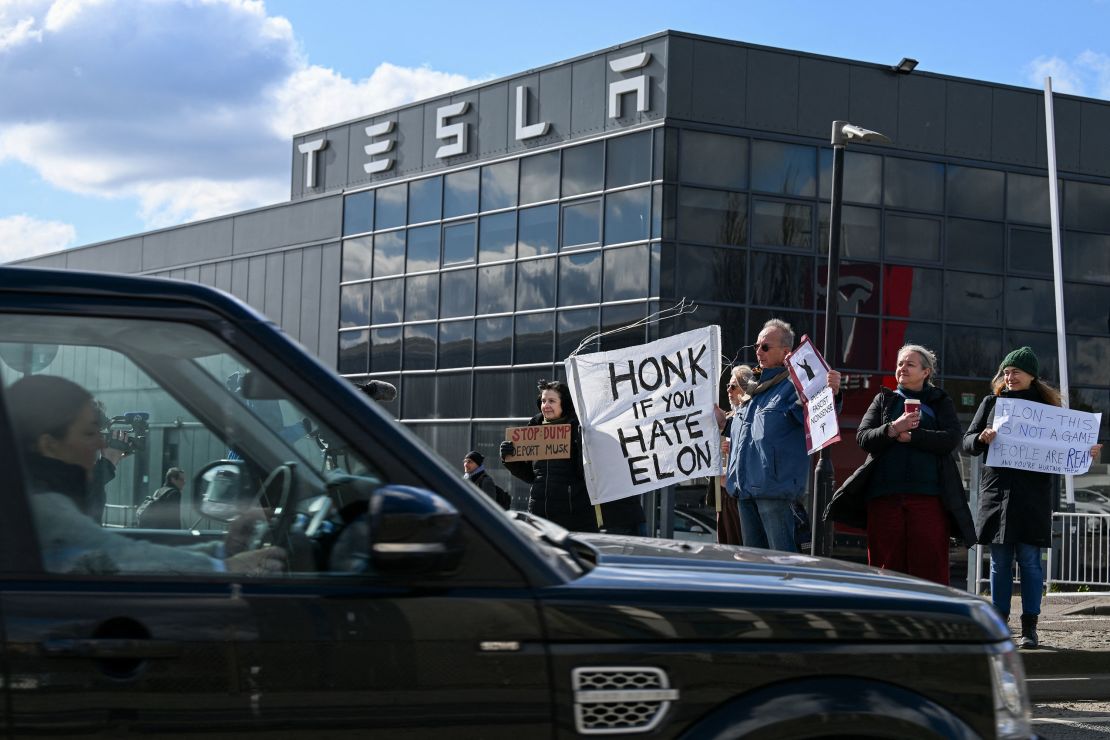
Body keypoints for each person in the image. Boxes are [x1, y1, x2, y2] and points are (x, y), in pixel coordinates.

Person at [9, 374, 286, 576]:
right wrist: (224, 566)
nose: (101, 443)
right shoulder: (44, 507)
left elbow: (123, 552)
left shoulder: (32, 497)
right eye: (89, 433)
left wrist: (221, 551)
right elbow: (120, 554)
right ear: (49, 445)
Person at [962, 346, 1103, 648]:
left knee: (1029, 560)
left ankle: (1030, 627)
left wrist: (1087, 451)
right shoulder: (991, 403)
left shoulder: (1048, 411)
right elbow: (967, 443)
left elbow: (1068, 448)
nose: (1009, 377)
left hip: (1032, 497)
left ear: (1032, 376)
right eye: (1007, 371)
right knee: (999, 561)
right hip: (998, 494)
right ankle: (999, 625)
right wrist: (981, 438)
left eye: (1016, 371)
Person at [825, 344, 975, 586]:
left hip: (928, 498)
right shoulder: (884, 399)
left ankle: (930, 617)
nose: (902, 368)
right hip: (885, 497)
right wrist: (894, 428)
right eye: (899, 364)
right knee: (886, 566)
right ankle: (888, 617)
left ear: (926, 372)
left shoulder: (939, 400)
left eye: (910, 364)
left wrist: (914, 437)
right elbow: (863, 438)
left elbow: (951, 439)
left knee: (929, 565)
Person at [725, 319, 840, 552]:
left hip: (774, 492)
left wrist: (833, 395)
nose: (758, 352)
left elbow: (817, 413)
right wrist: (722, 423)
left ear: (786, 352)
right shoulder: (755, 391)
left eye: (765, 347)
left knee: (782, 564)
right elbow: (749, 432)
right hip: (745, 491)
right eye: (756, 346)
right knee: (755, 569)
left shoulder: (793, 386)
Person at [500, 380, 645, 534]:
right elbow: (531, 476)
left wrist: (580, 445)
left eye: (552, 401)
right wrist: (510, 459)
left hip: (574, 518)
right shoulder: (534, 429)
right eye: (543, 401)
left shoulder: (579, 430)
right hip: (540, 516)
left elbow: (588, 473)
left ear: (565, 404)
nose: (545, 405)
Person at [715, 364, 753, 546]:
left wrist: (735, 446)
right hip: (722, 494)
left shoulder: (752, 415)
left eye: (733, 386)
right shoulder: (729, 418)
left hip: (740, 494)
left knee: (741, 545)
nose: (728, 390)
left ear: (745, 389)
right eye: (727, 386)